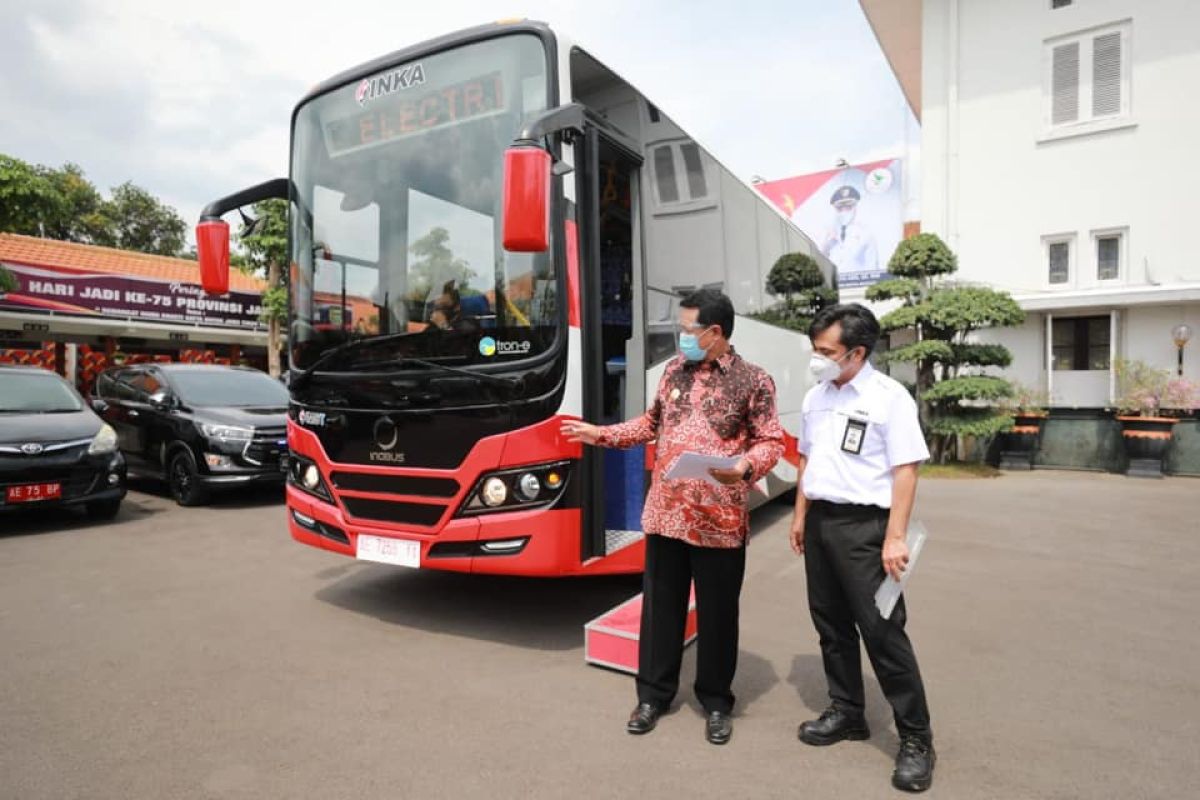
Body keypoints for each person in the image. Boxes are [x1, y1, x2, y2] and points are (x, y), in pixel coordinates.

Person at [562, 288, 783, 745]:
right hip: (666, 514)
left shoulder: (753, 381)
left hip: (718, 521)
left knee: (719, 617)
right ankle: (653, 696)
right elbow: (650, 425)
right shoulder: (672, 373)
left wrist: (745, 466)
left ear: (714, 332)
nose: (680, 338)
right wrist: (598, 434)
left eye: (686, 330)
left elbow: (770, 441)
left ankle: (717, 701)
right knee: (660, 611)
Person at [790, 303, 936, 793]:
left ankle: (916, 739)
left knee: (883, 633)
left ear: (857, 352)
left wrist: (895, 536)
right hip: (822, 524)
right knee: (830, 626)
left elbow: (906, 469)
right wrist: (800, 515)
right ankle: (847, 712)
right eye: (815, 350)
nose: (818, 359)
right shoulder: (816, 397)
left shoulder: (888, 397)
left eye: (826, 351)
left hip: (867, 529)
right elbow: (807, 459)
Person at [819, 186, 879, 276]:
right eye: (839, 208)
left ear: (855, 208)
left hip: (858, 286)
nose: (844, 211)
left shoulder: (865, 234)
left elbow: (873, 268)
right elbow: (819, 265)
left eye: (848, 207)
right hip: (832, 286)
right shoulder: (827, 233)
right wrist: (826, 245)